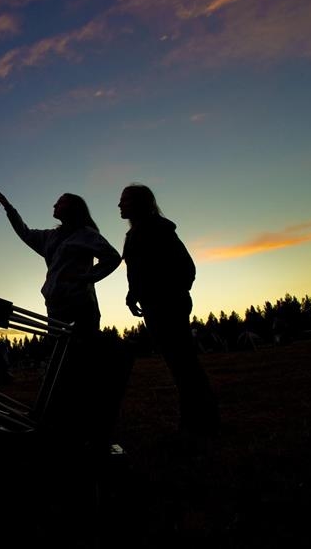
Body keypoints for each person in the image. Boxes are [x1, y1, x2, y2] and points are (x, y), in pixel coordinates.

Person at [0, 190, 127, 465]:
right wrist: (10, 209)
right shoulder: (50, 237)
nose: (54, 204)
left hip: (81, 306)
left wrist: (88, 277)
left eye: (60, 202)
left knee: (83, 363)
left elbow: (112, 257)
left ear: (73, 208)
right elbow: (25, 233)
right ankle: (59, 419)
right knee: (58, 362)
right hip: (55, 306)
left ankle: (88, 425)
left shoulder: (86, 234)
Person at [118, 183, 220, 437]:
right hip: (154, 306)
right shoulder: (135, 235)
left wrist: (168, 295)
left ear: (140, 203)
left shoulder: (160, 230)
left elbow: (186, 268)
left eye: (125, 200)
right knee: (179, 364)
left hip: (168, 306)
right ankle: (200, 419)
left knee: (184, 364)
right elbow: (139, 272)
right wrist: (134, 295)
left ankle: (198, 423)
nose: (119, 205)